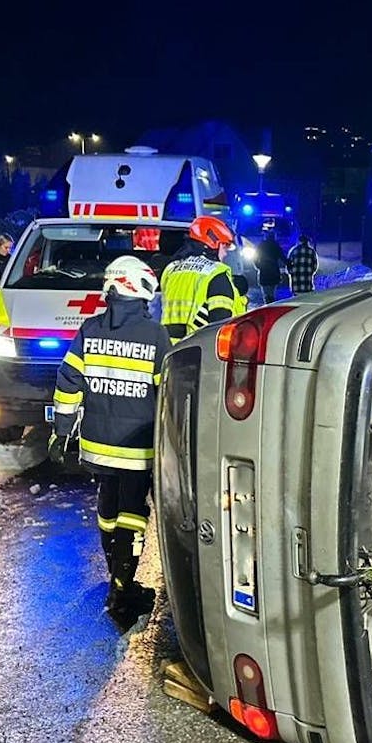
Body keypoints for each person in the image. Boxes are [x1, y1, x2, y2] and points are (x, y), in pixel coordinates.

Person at [49, 256, 173, 630]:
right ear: (140, 290)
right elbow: (166, 392)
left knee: (108, 506)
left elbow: (69, 380)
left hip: (97, 445)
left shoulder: (89, 329)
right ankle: (123, 585)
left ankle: (115, 572)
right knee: (133, 512)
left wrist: (62, 430)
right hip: (137, 449)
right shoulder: (155, 336)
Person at [159, 215, 244, 343]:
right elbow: (220, 321)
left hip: (169, 345)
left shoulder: (171, 269)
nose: (226, 253)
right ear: (213, 242)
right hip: (198, 348)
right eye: (225, 246)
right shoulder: (216, 272)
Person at [254, 230, 285, 304]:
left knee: (266, 294)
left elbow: (255, 258)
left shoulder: (261, 245)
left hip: (264, 272)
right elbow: (283, 257)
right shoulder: (276, 245)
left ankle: (267, 305)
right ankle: (271, 304)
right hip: (274, 272)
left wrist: (259, 266)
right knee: (272, 293)